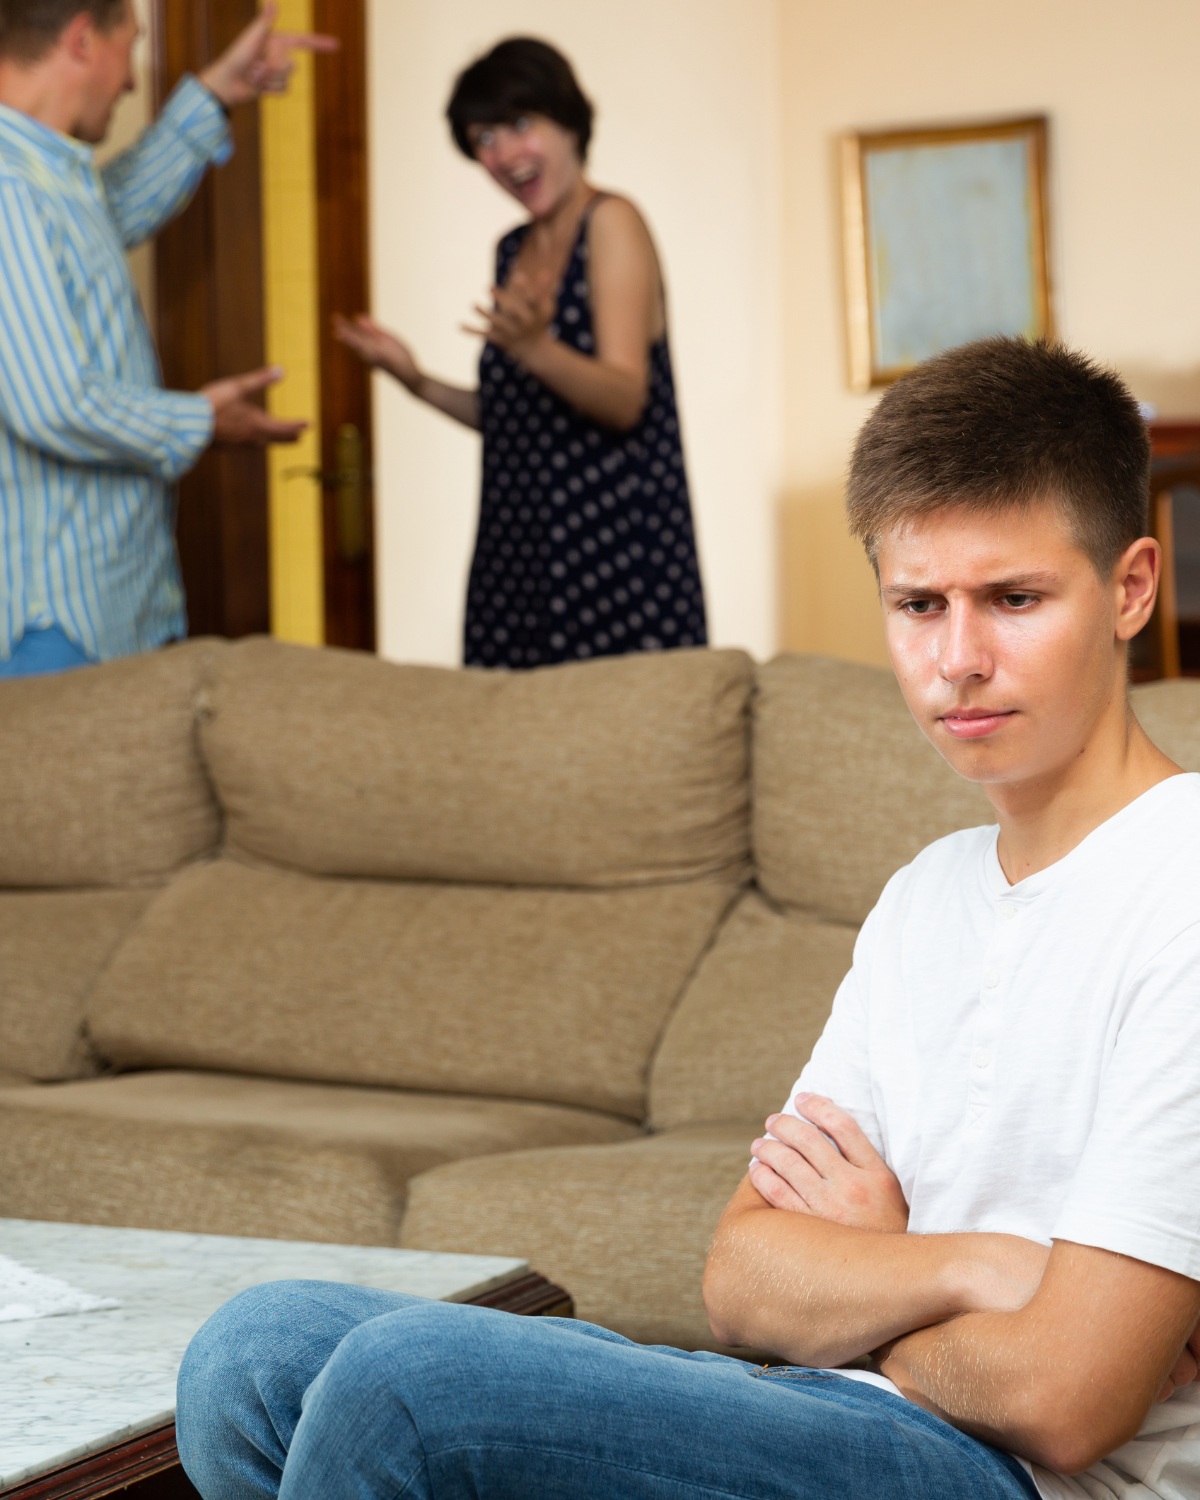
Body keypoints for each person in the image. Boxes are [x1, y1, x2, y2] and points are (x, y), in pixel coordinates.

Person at [172, 337, 1200, 1500]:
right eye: (919, 604)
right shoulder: (927, 893)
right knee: (253, 1353)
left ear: (1129, 586)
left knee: (403, 1386)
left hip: (1022, 1482)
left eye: (1012, 599)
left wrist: (869, 1290)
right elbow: (742, 1276)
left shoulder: (1183, 889)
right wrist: (981, 1267)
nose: (957, 659)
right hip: (839, 1411)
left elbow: (1068, 1401)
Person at [334, 37, 707, 670]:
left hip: (611, 563)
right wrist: (414, 379)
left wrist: (534, 347)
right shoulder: (512, 249)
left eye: (519, 125)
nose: (504, 153)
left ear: (567, 121)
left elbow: (623, 398)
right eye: (484, 139)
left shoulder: (613, 222)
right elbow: (519, 417)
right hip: (516, 560)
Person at [0, 0, 335, 679]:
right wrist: (203, 419)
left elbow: (109, 216)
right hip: (55, 624)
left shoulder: (43, 177)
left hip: (105, 611)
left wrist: (213, 95)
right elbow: (51, 403)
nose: (131, 82)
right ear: (82, 41)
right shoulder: (8, 187)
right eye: (132, 45)